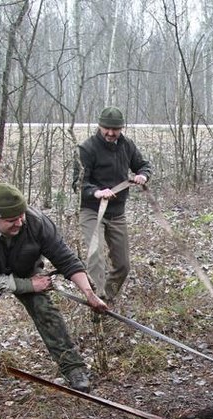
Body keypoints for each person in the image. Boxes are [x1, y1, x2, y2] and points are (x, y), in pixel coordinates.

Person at [0, 183, 107, 392]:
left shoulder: (37, 223)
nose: (18, 223)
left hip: (27, 268)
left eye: (20, 217)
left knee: (46, 312)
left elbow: (66, 259)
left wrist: (89, 293)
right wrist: (28, 286)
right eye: (10, 220)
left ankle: (73, 368)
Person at [72, 106, 152, 302]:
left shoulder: (127, 145)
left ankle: (105, 299)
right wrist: (96, 192)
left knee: (123, 265)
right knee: (96, 259)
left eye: (114, 129)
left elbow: (143, 165)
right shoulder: (87, 149)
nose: (110, 133)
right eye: (106, 128)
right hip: (92, 211)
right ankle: (95, 300)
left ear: (121, 128)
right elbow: (78, 183)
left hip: (117, 213)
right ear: (99, 126)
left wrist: (142, 175)